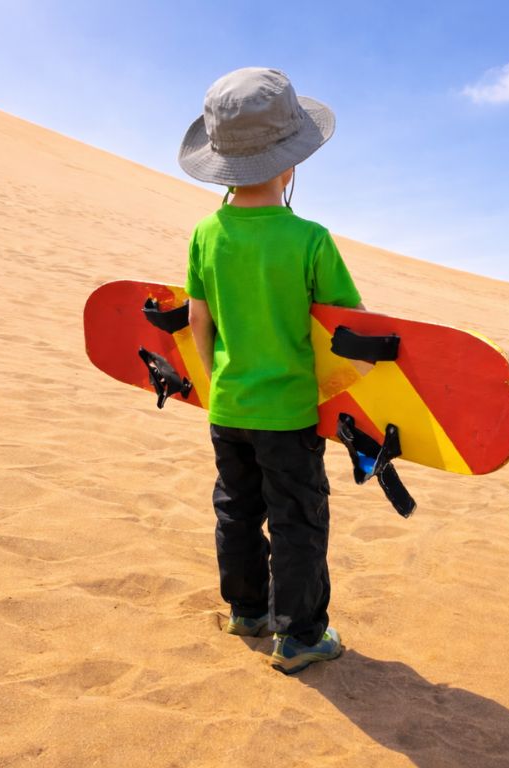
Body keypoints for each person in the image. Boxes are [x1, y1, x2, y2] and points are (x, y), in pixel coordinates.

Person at [178, 67, 363, 674]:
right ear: (290, 164)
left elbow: (198, 319)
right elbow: (348, 330)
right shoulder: (310, 239)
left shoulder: (206, 234)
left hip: (228, 407)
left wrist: (216, 383)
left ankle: (247, 612)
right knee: (297, 520)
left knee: (236, 509)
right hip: (289, 414)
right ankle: (302, 636)